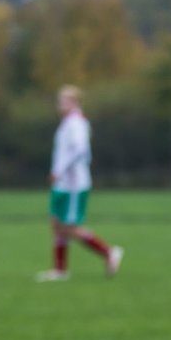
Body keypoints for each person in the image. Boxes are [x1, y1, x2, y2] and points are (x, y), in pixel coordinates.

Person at [35, 85, 123, 282]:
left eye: (65, 101)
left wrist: (59, 170)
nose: (60, 105)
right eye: (60, 101)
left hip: (73, 184)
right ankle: (60, 270)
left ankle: (109, 252)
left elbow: (80, 150)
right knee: (57, 224)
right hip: (62, 184)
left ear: (75, 103)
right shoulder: (67, 123)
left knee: (69, 227)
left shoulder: (77, 123)